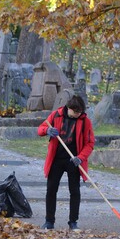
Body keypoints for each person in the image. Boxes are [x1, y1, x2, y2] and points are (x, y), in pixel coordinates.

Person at [37, 95, 95, 231]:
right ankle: (49, 221)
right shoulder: (55, 115)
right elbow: (40, 129)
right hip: (56, 159)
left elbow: (90, 143)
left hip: (73, 160)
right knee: (51, 190)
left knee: (74, 191)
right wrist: (47, 130)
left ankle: (73, 222)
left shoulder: (85, 121)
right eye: (75, 112)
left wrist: (80, 157)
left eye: (79, 113)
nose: (77, 115)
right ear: (68, 108)